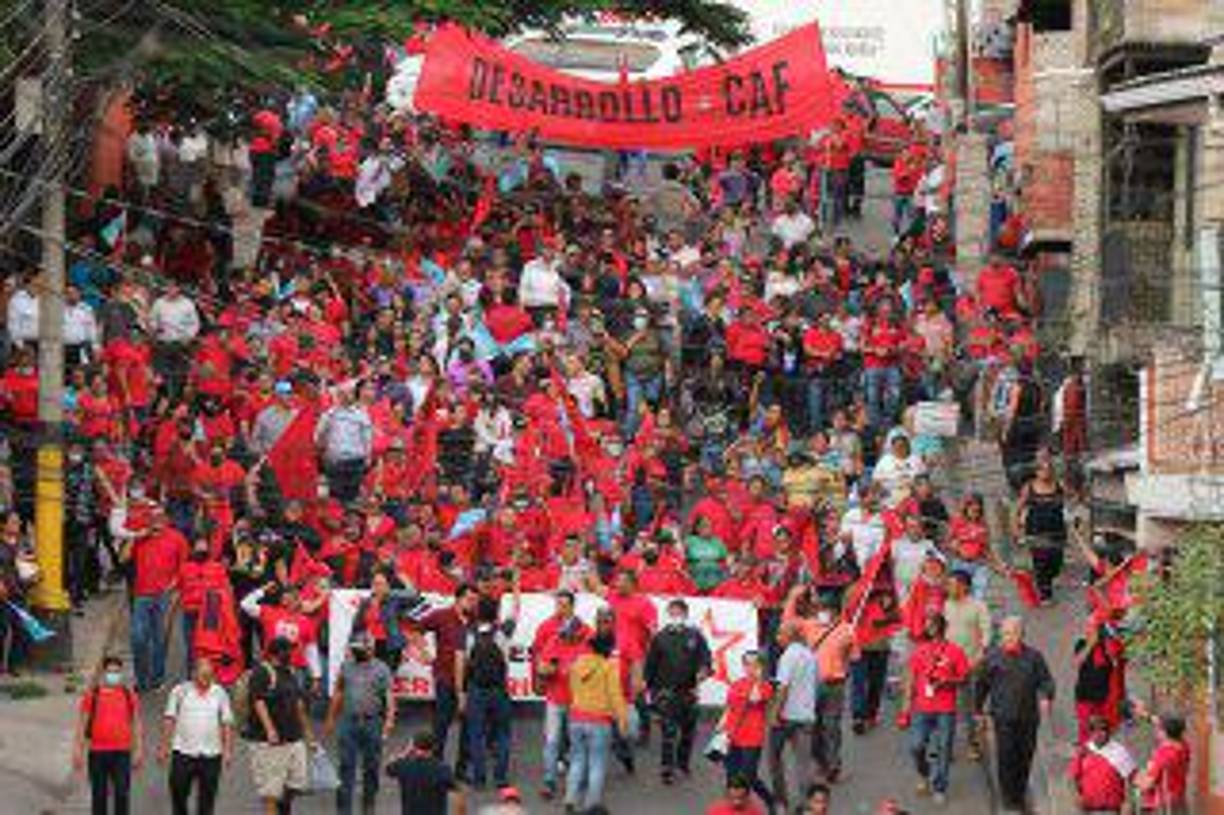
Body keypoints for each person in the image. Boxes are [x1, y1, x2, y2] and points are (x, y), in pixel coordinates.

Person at [975, 616, 1056, 813]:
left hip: (1028, 718)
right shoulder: (992, 658)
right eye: (1004, 634)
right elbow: (981, 686)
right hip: (1003, 718)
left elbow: (1046, 680)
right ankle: (1009, 798)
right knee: (1006, 757)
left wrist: (1046, 696)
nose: (1008, 637)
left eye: (1012, 633)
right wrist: (978, 711)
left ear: (1021, 634)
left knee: (1025, 756)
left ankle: (1019, 792)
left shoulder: (1034, 657)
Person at [900, 611, 970, 806]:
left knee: (944, 748)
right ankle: (924, 773)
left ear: (941, 626)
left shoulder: (955, 651)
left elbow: (965, 677)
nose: (929, 628)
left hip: (945, 709)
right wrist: (905, 709)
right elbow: (910, 680)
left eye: (932, 624)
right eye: (927, 625)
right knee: (916, 746)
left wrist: (948, 681)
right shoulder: (920, 650)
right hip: (922, 708)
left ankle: (940, 786)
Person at [323, 632, 396, 815]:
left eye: (359, 649)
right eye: (354, 649)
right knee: (346, 765)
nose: (356, 653)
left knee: (371, 766)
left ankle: (368, 805)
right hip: (349, 722)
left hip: (373, 723)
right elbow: (339, 691)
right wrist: (331, 718)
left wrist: (389, 720)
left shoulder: (382, 668)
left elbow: (389, 696)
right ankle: (343, 809)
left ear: (370, 649)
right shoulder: (346, 666)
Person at [644, 598, 713, 784]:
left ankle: (683, 763)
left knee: (687, 732)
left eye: (678, 613)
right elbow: (650, 665)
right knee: (668, 732)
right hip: (666, 692)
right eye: (672, 613)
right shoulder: (660, 637)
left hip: (689, 692)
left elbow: (706, 659)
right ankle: (667, 768)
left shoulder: (695, 636)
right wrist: (650, 692)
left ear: (685, 614)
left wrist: (704, 670)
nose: (675, 616)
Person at [246, 636, 316, 815]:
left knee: (295, 783)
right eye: (289, 650)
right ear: (278, 653)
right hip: (270, 742)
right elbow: (257, 700)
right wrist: (270, 729)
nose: (292, 653)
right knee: (271, 792)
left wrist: (308, 733)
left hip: (293, 738)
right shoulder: (262, 671)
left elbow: (298, 704)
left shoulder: (290, 672)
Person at [158, 656, 235, 815]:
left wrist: (227, 750)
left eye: (210, 676)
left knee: (207, 800)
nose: (207, 680)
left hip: (212, 755)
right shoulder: (179, 691)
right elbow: (169, 719)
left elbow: (226, 722)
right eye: (203, 675)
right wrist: (164, 747)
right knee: (178, 792)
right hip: (183, 753)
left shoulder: (220, 693)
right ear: (193, 674)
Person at [566, 630, 629, 813]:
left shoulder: (577, 663)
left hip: (576, 717)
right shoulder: (609, 667)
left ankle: (570, 799)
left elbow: (572, 688)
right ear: (609, 648)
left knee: (577, 760)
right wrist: (622, 720)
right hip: (599, 720)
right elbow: (615, 695)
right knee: (597, 764)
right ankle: (591, 806)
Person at [73, 654, 143, 815]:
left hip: (122, 753)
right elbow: (82, 724)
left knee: (121, 793)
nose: (114, 675)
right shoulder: (92, 695)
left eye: (117, 672)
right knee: (99, 795)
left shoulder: (129, 696)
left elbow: (137, 723)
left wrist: (139, 749)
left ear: (121, 674)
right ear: (103, 673)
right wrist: (78, 750)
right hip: (97, 752)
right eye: (110, 672)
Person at [767, 621, 817, 811]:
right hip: (806, 716)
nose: (777, 637)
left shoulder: (788, 656)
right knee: (803, 764)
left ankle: (781, 800)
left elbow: (783, 687)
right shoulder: (809, 655)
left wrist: (774, 714)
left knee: (774, 759)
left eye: (780, 634)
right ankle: (806, 805)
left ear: (791, 636)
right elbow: (815, 685)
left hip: (785, 717)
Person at [941, 569, 991, 759]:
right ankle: (945, 745)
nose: (949, 587)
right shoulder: (945, 606)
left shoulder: (978, 606)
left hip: (972, 664)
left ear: (965, 586)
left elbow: (986, 634)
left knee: (970, 708)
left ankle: (973, 744)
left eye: (953, 584)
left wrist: (980, 655)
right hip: (947, 665)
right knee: (946, 707)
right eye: (948, 584)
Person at [718, 650, 774, 813]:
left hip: (752, 739)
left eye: (755, 664)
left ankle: (768, 801)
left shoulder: (765, 686)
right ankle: (732, 808)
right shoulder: (736, 684)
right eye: (747, 664)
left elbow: (755, 698)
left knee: (748, 778)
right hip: (733, 736)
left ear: (761, 666)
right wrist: (721, 726)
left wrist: (757, 678)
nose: (750, 668)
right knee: (731, 776)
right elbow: (729, 707)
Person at [1014, 456, 1068, 603]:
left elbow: (1070, 502)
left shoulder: (1059, 485)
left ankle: (1046, 581)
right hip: (1035, 532)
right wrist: (1017, 529)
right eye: (1042, 469)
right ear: (1036, 472)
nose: (1046, 472)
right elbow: (1017, 509)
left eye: (1049, 469)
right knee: (1040, 561)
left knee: (1056, 563)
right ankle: (1045, 595)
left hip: (1057, 531)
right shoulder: (1029, 487)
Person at [1067, 715, 1135, 815]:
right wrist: (1076, 796)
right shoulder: (1083, 751)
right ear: (1090, 732)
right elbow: (1072, 777)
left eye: (1103, 729)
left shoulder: (1120, 752)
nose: (1099, 734)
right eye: (1094, 730)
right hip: (1088, 810)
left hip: (1113, 809)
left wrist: (1128, 802)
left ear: (1108, 732)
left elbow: (1129, 779)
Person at [385, 730, 464, 815]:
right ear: (434, 747)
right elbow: (458, 793)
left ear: (414, 747)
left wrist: (405, 752)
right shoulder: (442, 769)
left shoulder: (403, 766)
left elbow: (388, 767)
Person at [1135, 713, 1191, 815]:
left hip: (1164, 806)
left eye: (1159, 729)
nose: (1156, 731)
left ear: (1164, 732)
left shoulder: (1163, 753)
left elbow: (1147, 784)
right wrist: (1146, 715)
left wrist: (1138, 777)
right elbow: (1172, 726)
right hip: (1179, 801)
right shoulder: (1184, 747)